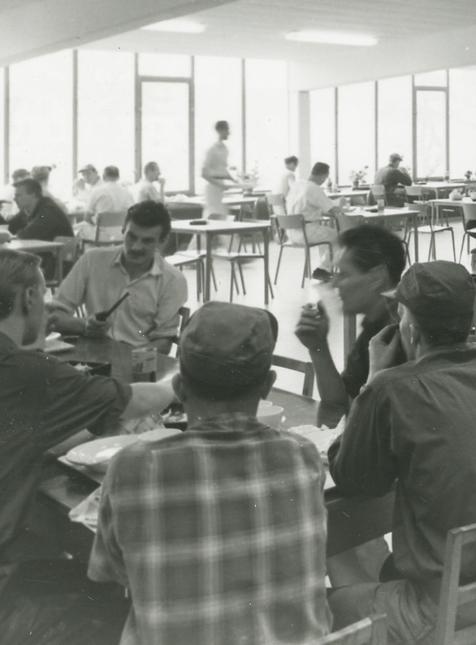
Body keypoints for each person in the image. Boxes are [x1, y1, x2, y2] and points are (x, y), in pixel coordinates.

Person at [327, 261, 476, 643]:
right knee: (368, 557)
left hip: (448, 620)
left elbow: (352, 477)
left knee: (317, 605)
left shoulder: (392, 389)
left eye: (400, 314)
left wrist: (373, 379)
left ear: (410, 329)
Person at [89, 302, 329, 645]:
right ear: (267, 386)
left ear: (179, 388)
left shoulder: (132, 467)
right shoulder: (304, 456)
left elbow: (111, 572)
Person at [0, 249, 176, 563]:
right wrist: (180, 380)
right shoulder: (31, 371)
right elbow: (137, 401)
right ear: (29, 297)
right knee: (99, 569)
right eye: (44, 295)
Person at [294, 224, 407, 426]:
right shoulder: (375, 324)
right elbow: (340, 404)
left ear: (377, 277)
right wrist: (318, 347)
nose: (335, 283)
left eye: (344, 274)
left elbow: (368, 422)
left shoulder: (401, 334)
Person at [48, 201, 188, 353]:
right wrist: (84, 325)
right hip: (92, 354)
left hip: (137, 359)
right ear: (122, 230)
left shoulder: (173, 280)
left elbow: (164, 342)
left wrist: (131, 360)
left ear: (162, 241)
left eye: (147, 241)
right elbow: (54, 316)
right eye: (131, 237)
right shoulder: (92, 260)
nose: (136, 247)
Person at [0, 179, 74, 275]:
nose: (14, 199)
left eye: (18, 195)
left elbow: (27, 234)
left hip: (56, 265)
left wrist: (6, 237)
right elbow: (10, 228)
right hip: (40, 260)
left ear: (33, 195)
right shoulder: (26, 210)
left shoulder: (48, 209)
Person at [286, 161, 343, 276]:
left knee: (325, 234)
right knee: (340, 236)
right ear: (323, 176)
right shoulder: (314, 188)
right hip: (307, 232)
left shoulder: (297, 185)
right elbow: (333, 210)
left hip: (291, 232)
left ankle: (324, 268)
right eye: (325, 178)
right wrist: (342, 205)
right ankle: (323, 268)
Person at [76, 165, 135, 242]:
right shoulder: (127, 193)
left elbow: (87, 218)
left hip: (100, 235)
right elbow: (132, 213)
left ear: (103, 177)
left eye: (88, 173)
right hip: (122, 234)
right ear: (118, 177)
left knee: (75, 229)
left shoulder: (97, 192)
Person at [201, 120, 237, 219]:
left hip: (219, 190)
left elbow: (223, 170)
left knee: (222, 216)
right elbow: (204, 173)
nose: (229, 133)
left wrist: (235, 181)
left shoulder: (225, 149)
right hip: (212, 190)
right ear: (220, 130)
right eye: (227, 130)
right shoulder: (212, 150)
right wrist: (219, 184)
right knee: (214, 216)